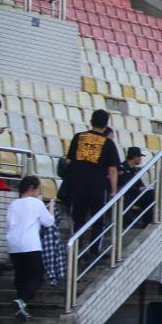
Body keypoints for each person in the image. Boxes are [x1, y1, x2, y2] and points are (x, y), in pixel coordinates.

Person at [65, 109, 120, 261]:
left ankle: (76, 250)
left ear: (91, 121)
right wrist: (114, 190)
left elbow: (69, 160)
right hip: (98, 187)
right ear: (106, 125)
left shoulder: (78, 137)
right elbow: (113, 169)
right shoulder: (108, 143)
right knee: (98, 220)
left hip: (78, 185)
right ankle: (94, 251)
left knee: (78, 220)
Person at [5, 175, 56, 319]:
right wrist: (51, 208)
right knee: (37, 276)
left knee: (21, 277)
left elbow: (8, 226)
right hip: (30, 244)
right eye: (39, 188)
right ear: (32, 188)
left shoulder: (13, 204)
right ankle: (22, 301)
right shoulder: (36, 203)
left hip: (13, 245)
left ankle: (21, 307)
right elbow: (48, 222)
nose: (40, 192)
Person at [118, 147, 154, 228]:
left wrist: (141, 188)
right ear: (134, 157)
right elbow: (124, 184)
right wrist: (138, 188)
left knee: (151, 194)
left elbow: (141, 184)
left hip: (135, 195)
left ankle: (146, 224)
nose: (140, 159)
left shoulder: (134, 170)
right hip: (126, 196)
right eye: (139, 157)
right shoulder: (121, 167)